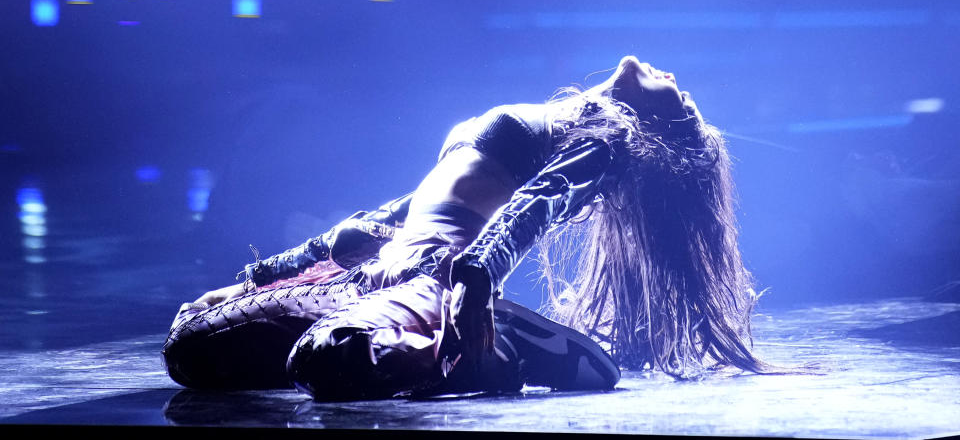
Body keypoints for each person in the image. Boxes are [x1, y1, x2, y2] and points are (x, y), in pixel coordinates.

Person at [162, 56, 771, 400]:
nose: (681, 83)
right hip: (370, 275)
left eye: (685, 102)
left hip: (434, 278)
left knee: (330, 358)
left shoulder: (609, 136)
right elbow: (400, 210)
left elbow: (537, 203)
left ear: (656, 127)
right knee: (189, 348)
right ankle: (477, 346)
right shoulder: (556, 115)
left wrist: (477, 279)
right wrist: (276, 272)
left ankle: (494, 351)